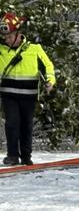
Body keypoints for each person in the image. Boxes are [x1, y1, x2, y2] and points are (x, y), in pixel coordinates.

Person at [0, 12, 56, 166]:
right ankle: (12, 156)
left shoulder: (34, 49)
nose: (7, 39)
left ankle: (26, 156)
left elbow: (48, 66)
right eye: (5, 37)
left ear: (19, 34)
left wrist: (50, 81)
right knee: (11, 123)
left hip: (29, 96)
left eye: (10, 36)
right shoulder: (1, 50)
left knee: (26, 125)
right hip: (8, 95)